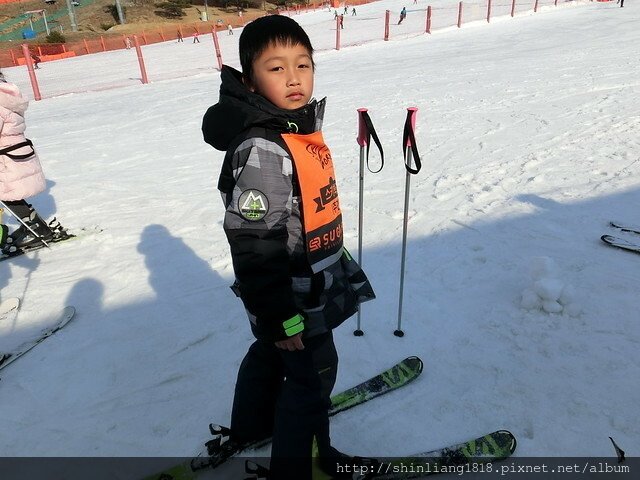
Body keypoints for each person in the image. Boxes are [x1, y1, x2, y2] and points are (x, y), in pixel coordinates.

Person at [202, 15, 375, 480]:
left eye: (303, 64)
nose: (294, 77)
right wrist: (279, 313)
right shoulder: (264, 147)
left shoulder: (288, 128)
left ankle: (250, 426)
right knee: (312, 374)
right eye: (276, 68)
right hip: (290, 293)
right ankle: (306, 465)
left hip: (298, 281)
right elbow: (253, 239)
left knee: (271, 351)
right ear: (251, 80)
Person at [0, 70, 58, 252]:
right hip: (13, 152)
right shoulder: (5, 96)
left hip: (6, 156)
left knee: (7, 194)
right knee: (9, 194)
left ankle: (37, 228)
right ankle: (35, 225)